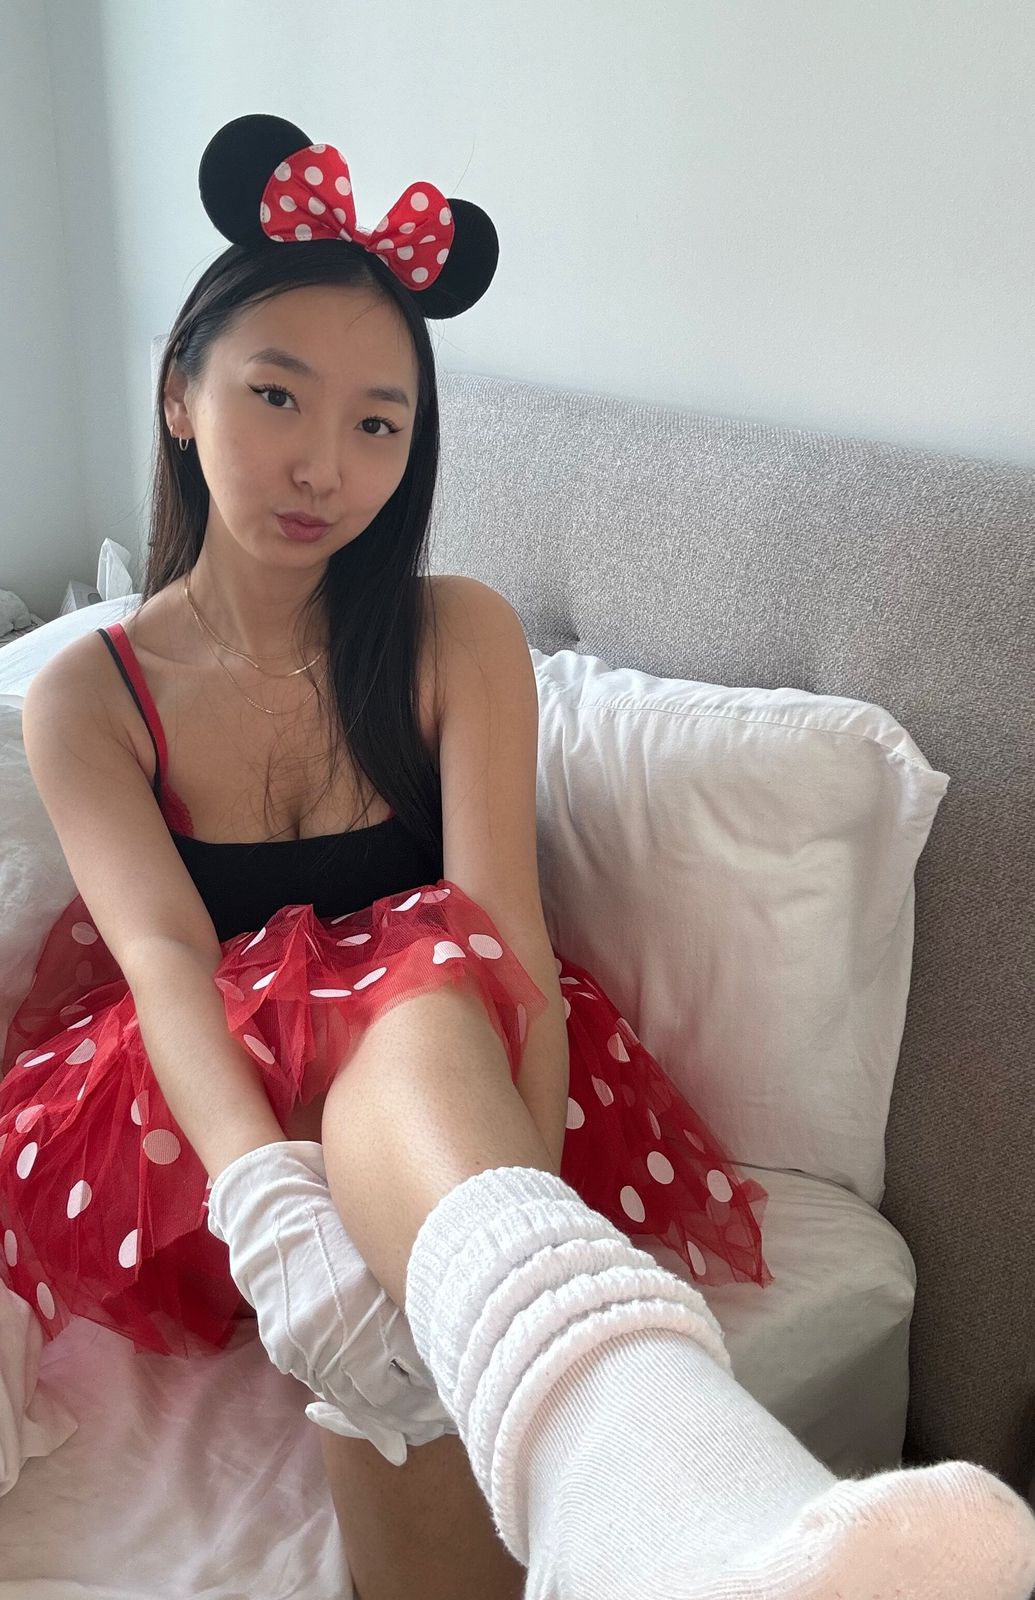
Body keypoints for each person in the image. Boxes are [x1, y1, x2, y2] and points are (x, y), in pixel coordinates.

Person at [1, 113, 1032, 1600]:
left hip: (450, 1084)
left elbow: (502, 928)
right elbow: (164, 959)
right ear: (179, 394)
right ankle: (649, 1463)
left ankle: (583, 1402)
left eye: (379, 425)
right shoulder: (88, 695)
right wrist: (270, 1209)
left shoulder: (456, 632)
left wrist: (515, 1199)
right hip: (204, 1141)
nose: (322, 464)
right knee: (373, 1038)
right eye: (276, 395)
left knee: (416, 1002)